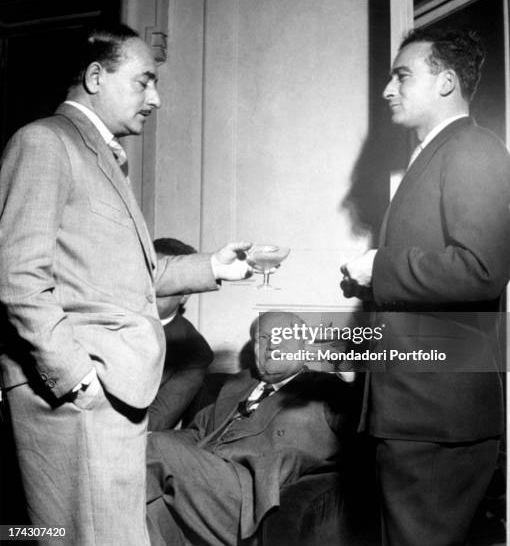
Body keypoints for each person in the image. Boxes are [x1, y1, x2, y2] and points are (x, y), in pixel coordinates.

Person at [0, 23, 252, 546]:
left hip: (112, 396)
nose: (154, 98)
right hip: (79, 398)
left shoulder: (108, 159)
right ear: (96, 77)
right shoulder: (43, 142)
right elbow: (18, 278)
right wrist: (77, 379)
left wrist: (214, 267)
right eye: (144, 81)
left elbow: (138, 273)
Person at [341, 28, 510, 545]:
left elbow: (481, 268)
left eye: (402, 75)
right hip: (417, 410)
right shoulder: (437, 154)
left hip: (437, 416)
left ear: (446, 82)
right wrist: (367, 290)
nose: (388, 90)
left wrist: (380, 268)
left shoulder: (475, 149)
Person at [146, 311, 355, 546]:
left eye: (283, 335)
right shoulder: (236, 385)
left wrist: (353, 379)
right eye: (262, 338)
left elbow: (362, 428)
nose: (272, 343)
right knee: (150, 508)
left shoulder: (327, 389)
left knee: (153, 448)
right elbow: (197, 432)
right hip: (202, 483)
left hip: (252, 496)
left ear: (304, 344)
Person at [148, 238, 214, 432]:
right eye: (148, 280)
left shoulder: (195, 352)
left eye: (164, 283)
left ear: (185, 294)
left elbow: (157, 421)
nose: (150, 291)